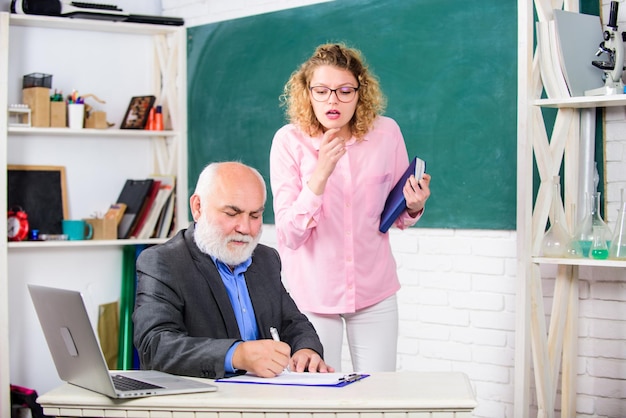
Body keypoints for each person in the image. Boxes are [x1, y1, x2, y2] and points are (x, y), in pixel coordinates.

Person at [269, 43, 431, 372]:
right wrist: (321, 174)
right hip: (311, 295)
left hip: (374, 289)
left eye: (345, 91)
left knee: (378, 393)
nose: (333, 101)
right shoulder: (289, 141)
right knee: (318, 396)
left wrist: (413, 206)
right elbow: (289, 234)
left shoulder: (386, 133)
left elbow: (394, 214)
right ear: (307, 93)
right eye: (322, 90)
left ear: (360, 92)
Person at [133, 161, 334, 379]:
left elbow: (293, 323)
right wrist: (237, 354)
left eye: (255, 216)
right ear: (198, 207)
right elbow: (154, 346)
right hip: (203, 403)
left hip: (263, 399)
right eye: (231, 214)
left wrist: (306, 349)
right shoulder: (162, 262)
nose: (245, 228)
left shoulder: (265, 259)